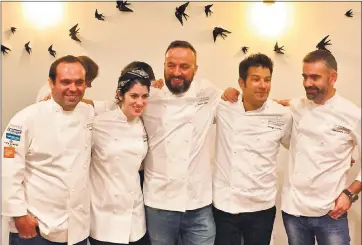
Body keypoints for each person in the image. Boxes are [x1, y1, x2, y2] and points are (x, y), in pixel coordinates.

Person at [2, 55, 94, 245]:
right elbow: (7, 169)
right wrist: (19, 216)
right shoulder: (25, 119)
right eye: (65, 82)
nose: (73, 88)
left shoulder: (88, 113)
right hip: (35, 228)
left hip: (77, 229)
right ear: (51, 83)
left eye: (79, 82)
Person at [141, 40, 222, 245]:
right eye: (171, 65)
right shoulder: (149, 96)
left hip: (199, 203)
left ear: (195, 69)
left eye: (184, 66)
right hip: (160, 203)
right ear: (164, 66)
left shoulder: (208, 92)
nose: (177, 72)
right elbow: (116, 107)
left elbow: (241, 105)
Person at [281, 49, 361, 245]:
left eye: (315, 77)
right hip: (294, 211)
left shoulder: (352, 114)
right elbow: (267, 105)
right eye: (305, 76)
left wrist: (350, 193)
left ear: (333, 78)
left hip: (331, 212)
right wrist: (233, 95)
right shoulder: (297, 105)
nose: (307, 83)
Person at [213, 53, 292, 245]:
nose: (263, 85)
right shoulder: (223, 107)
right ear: (242, 82)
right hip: (226, 205)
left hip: (261, 207)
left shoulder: (281, 114)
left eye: (267, 80)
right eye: (255, 79)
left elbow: (299, 148)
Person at [88, 67, 151, 245]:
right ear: (120, 95)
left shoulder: (145, 122)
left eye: (144, 96)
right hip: (103, 217)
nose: (140, 102)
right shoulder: (98, 123)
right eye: (134, 96)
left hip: (135, 217)